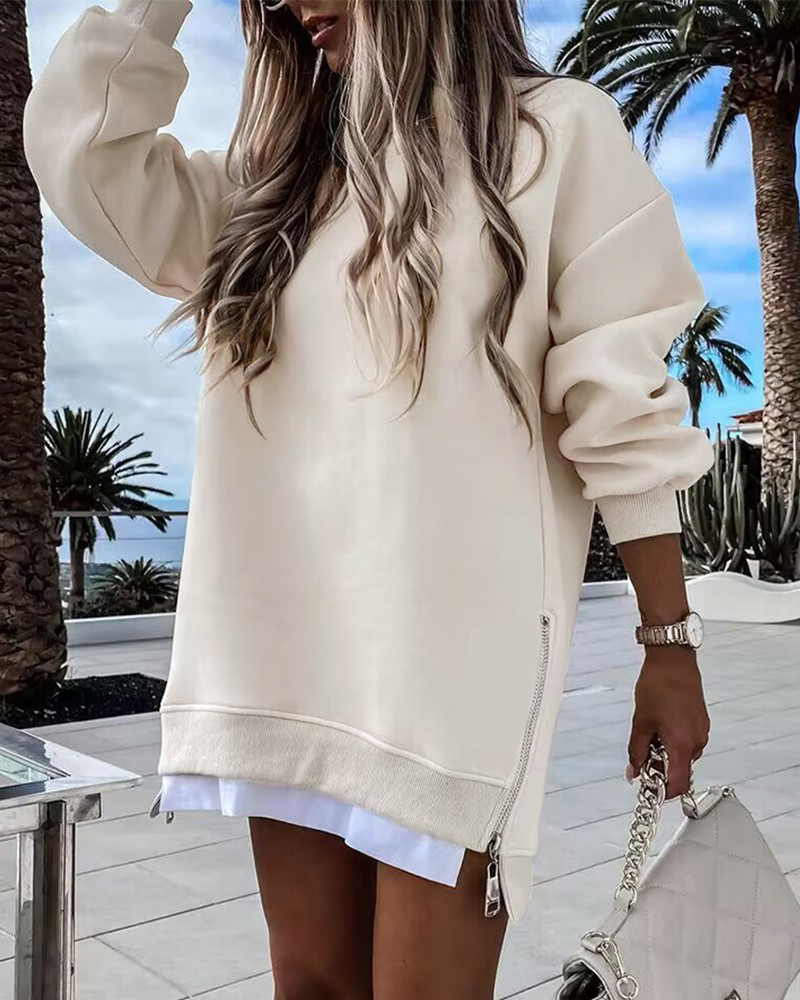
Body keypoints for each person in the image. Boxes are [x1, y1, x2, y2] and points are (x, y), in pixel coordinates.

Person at [24, 0, 714, 996]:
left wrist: (668, 643)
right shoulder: (271, 182)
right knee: (308, 986)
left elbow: (617, 404)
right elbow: (81, 149)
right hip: (281, 665)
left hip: (445, 689)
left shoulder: (554, 135)